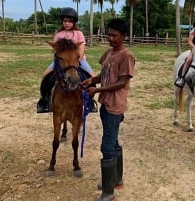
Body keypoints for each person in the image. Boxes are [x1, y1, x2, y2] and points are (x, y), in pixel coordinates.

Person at [81, 18, 135, 201]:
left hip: (115, 105)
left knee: (107, 147)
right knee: (114, 142)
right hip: (106, 103)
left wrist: (97, 90)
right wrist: (92, 81)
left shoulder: (126, 56)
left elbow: (121, 82)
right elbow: (104, 74)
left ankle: (108, 192)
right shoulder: (109, 53)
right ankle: (115, 180)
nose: (111, 38)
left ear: (123, 36)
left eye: (115, 35)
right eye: (109, 35)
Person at [37, 7, 96, 113]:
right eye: (65, 21)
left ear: (74, 22)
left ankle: (90, 101)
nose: (67, 23)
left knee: (92, 75)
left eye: (69, 21)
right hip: (62, 61)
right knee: (45, 75)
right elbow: (56, 49)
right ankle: (43, 100)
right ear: (62, 22)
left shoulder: (78, 33)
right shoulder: (59, 35)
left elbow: (82, 47)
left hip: (77, 60)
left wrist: (78, 59)